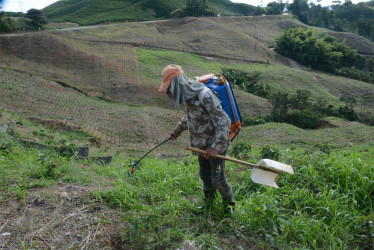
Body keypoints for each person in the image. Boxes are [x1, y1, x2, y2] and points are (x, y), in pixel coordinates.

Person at [159, 64, 235, 214]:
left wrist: (215, 147)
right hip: (201, 145)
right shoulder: (188, 96)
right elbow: (191, 116)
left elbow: (224, 121)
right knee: (205, 175)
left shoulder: (205, 95)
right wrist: (177, 129)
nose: (169, 92)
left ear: (177, 84)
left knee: (217, 179)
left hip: (216, 145)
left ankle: (229, 208)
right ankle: (209, 205)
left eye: (170, 88)